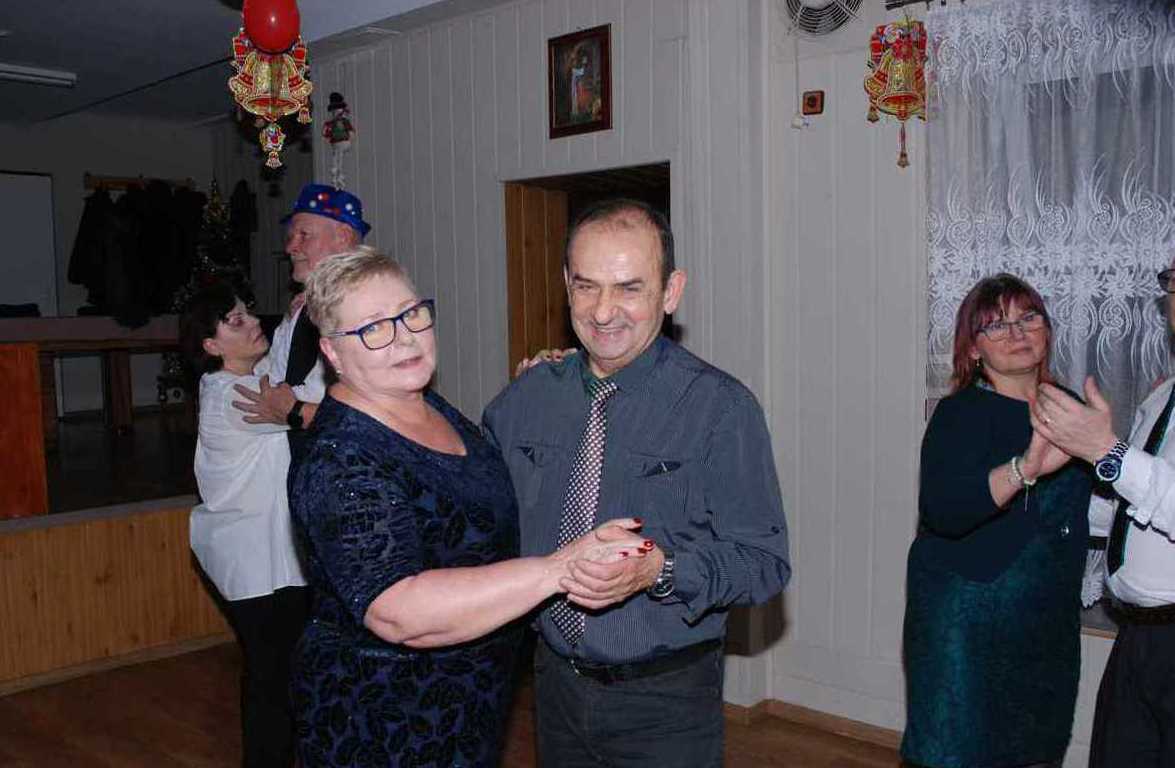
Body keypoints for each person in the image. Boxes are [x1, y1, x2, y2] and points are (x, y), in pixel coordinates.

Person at [287, 247, 648, 767]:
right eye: (373, 328)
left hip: (465, 702)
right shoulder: (339, 459)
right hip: (387, 719)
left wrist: (538, 392)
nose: (404, 337)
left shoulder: (420, 402)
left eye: (411, 313)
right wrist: (559, 569)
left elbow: (461, 504)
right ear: (332, 352)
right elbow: (399, 610)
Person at [482, 199, 791, 767]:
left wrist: (660, 571)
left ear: (671, 292)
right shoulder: (524, 401)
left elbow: (764, 563)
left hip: (666, 703)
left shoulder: (721, 409)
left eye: (629, 288)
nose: (603, 312)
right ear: (566, 285)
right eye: (587, 286)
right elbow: (482, 528)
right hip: (553, 687)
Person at [901, 273, 1091, 768]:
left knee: (1035, 749)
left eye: (1028, 317)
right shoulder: (959, 413)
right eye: (996, 325)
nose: (1016, 332)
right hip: (967, 621)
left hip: (1045, 619)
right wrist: (1025, 469)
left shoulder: (1071, 408)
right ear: (973, 349)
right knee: (959, 750)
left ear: (1047, 329)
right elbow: (945, 511)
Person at [1030, 264, 1175, 768]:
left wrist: (1106, 451)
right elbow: (1136, 509)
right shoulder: (1164, 394)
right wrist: (1038, 493)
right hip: (1139, 636)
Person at [179, 283, 309, 768]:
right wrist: (298, 324)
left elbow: (279, 372)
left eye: (247, 312)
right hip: (251, 562)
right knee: (271, 679)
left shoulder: (242, 382)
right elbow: (303, 401)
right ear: (211, 345)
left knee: (278, 673)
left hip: (267, 557)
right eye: (235, 321)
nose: (253, 321)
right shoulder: (232, 397)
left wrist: (293, 320)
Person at [231, 183, 370, 440]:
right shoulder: (303, 307)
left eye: (304, 235)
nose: (290, 248)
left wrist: (292, 410)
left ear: (343, 237)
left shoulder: (367, 308)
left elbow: (366, 417)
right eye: (290, 237)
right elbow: (274, 372)